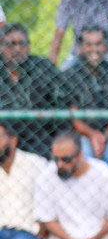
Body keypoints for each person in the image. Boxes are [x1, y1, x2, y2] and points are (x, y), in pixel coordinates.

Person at [60, 26, 108, 164]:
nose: (94, 49)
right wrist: (93, 135)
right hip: (84, 134)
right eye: (89, 44)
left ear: (105, 47)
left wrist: (103, 138)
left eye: (98, 44)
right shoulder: (70, 75)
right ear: (80, 48)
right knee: (85, 152)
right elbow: (75, 119)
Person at [0, 22, 64, 154]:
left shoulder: (43, 68)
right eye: (10, 44)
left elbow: (62, 103)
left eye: (21, 44)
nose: (17, 49)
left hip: (40, 138)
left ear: (28, 45)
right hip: (4, 141)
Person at [0, 119, 46, 239]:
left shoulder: (36, 164)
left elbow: (51, 197)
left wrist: (46, 225)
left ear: (13, 141)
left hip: (27, 232)